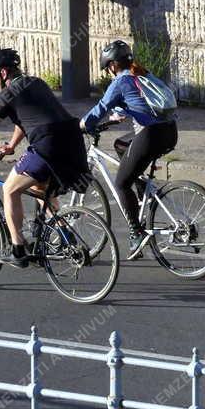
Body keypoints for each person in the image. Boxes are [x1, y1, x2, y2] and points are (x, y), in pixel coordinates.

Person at [0, 47, 88, 269]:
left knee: (9, 189)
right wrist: (12, 145)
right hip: (72, 141)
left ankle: (18, 250)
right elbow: (27, 120)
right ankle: (66, 237)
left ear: (4, 73)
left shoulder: (7, 94)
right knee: (39, 189)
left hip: (48, 144)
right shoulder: (36, 82)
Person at [80, 39, 177, 258]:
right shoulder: (142, 74)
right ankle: (143, 190)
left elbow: (100, 108)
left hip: (151, 135)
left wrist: (81, 125)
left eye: (108, 69)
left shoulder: (121, 81)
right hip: (170, 132)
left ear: (113, 65)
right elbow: (134, 105)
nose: (109, 73)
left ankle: (136, 233)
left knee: (121, 183)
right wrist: (115, 120)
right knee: (121, 145)